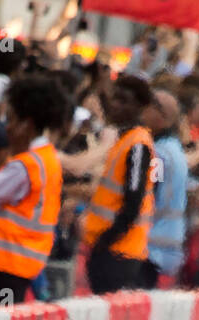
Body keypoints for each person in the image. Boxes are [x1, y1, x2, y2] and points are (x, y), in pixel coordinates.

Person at [0, 76, 70, 307]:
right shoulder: (47, 157)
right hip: (21, 263)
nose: (7, 127)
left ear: (26, 124)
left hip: (5, 264)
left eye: (12, 120)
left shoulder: (25, 164)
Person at [82, 74, 156, 294]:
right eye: (115, 98)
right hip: (111, 249)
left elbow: (133, 202)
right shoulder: (124, 140)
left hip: (119, 253)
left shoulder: (138, 145)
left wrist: (106, 240)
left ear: (139, 108)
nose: (115, 105)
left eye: (124, 101)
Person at [141, 89, 187, 290]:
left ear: (164, 117)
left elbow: (149, 191)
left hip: (150, 248)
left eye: (149, 106)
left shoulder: (158, 154)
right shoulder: (174, 150)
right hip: (163, 246)